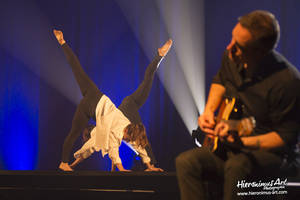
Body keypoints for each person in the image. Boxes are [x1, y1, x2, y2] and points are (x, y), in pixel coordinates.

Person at [176, 10, 300, 200]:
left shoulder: (287, 81)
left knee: (237, 167)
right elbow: (221, 80)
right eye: (232, 39)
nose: (229, 47)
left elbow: (285, 139)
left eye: (238, 46)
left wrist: (243, 142)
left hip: (273, 156)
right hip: (233, 146)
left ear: (260, 52)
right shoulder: (232, 56)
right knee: (187, 162)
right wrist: (208, 111)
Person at [53, 29, 172, 172]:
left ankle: (62, 42)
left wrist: (149, 165)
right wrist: (123, 168)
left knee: (77, 70)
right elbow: (114, 150)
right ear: (129, 133)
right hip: (93, 102)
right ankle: (63, 162)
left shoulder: (124, 129)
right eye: (127, 140)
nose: (126, 142)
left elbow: (137, 147)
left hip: (94, 97)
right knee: (73, 132)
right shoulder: (117, 132)